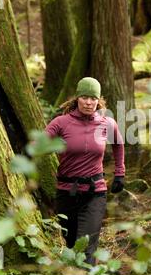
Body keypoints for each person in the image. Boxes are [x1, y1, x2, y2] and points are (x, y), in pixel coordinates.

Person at [45, 77, 125, 265]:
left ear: (98, 101)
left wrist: (120, 173)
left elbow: (119, 144)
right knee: (71, 245)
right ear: (77, 98)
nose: (89, 103)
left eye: (93, 98)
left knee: (87, 248)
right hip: (66, 193)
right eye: (85, 98)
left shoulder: (107, 123)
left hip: (94, 193)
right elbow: (39, 142)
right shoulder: (61, 123)